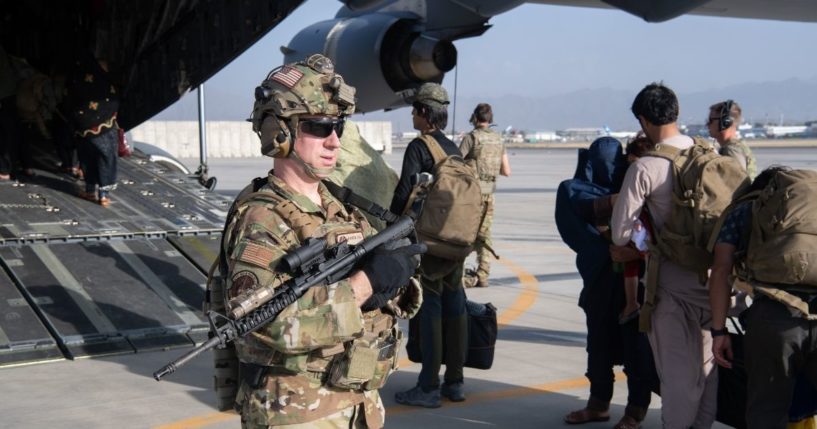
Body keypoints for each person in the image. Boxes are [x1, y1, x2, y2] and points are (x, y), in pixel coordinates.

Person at [224, 54, 425, 429]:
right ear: (279, 133)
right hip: (298, 415)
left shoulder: (339, 206)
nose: (334, 140)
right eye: (318, 127)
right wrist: (366, 284)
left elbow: (381, 288)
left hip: (356, 406)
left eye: (338, 127)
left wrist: (396, 282)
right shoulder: (261, 219)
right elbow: (265, 322)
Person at [611, 82, 718, 428]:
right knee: (708, 372)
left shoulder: (646, 167)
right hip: (716, 284)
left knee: (678, 381)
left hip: (671, 288)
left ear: (643, 121)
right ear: (677, 113)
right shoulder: (710, 155)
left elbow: (620, 233)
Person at [556, 136, 657, 429]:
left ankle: (635, 412)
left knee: (637, 348)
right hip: (601, 282)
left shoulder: (635, 187)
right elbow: (579, 217)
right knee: (598, 345)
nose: (610, 169)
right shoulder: (575, 191)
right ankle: (598, 404)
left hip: (634, 283)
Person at [710, 166, 817, 429]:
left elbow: (721, 269)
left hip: (772, 317)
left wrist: (718, 330)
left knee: (767, 411)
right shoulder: (811, 210)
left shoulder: (745, 211)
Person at [392, 82, 469, 408]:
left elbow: (403, 198)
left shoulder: (420, 148)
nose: (411, 114)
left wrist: (390, 229)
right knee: (456, 307)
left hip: (430, 243)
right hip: (457, 241)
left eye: (414, 109)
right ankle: (455, 382)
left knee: (431, 310)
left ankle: (427, 387)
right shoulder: (454, 148)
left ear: (424, 113)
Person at [459, 103, 511, 288]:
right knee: (484, 235)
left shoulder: (471, 138)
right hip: (490, 196)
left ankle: (458, 274)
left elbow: (455, 163)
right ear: (490, 119)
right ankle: (483, 275)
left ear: (475, 118)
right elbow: (507, 170)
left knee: (464, 233)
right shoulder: (499, 140)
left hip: (472, 196)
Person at [62, 51, 119, 206]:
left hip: (83, 130)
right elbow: (114, 103)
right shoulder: (107, 84)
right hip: (105, 130)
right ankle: (103, 195)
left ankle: (89, 191)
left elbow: (69, 101)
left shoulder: (80, 82)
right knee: (105, 159)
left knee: (87, 160)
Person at [618, 135, 655, 325]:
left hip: (643, 223)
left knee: (636, 259)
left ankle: (633, 303)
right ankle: (633, 302)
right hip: (643, 222)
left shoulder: (641, 173)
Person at [708, 100, 756, 179]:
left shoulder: (732, 150)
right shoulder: (735, 147)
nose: (707, 124)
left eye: (711, 120)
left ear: (725, 123)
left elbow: (736, 183)